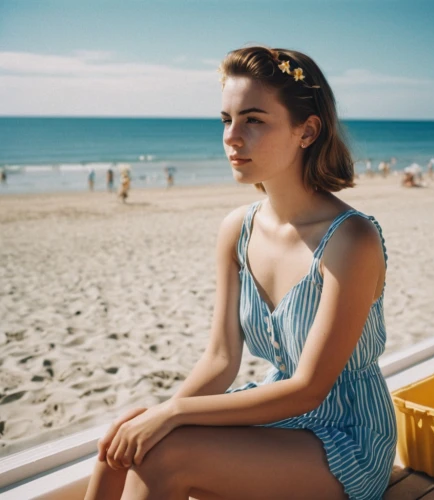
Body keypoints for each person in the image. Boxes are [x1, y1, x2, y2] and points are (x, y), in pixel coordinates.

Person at [85, 46, 397, 500]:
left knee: (164, 454)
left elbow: (309, 388)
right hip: (282, 419)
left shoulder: (352, 240)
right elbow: (220, 359)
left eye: (253, 120)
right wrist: (162, 412)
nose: (232, 137)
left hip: (347, 438)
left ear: (307, 130)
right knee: (122, 443)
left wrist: (173, 416)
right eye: (226, 120)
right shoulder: (238, 228)